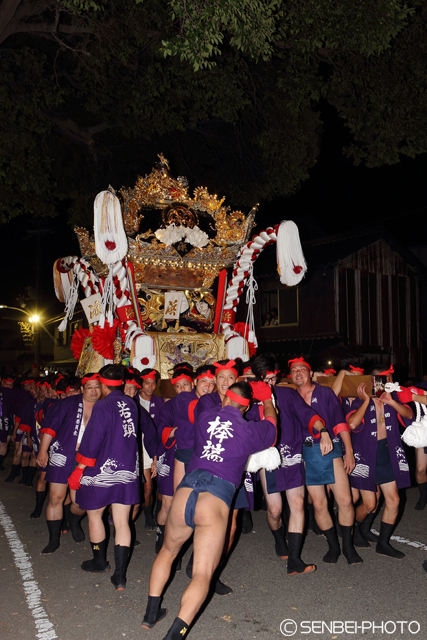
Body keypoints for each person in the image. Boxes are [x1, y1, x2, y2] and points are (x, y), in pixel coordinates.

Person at [141, 381, 277, 639]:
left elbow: (213, 400)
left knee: (168, 551)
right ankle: (175, 635)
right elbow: (272, 425)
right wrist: (267, 400)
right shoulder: (250, 431)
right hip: (214, 499)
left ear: (225, 397)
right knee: (203, 573)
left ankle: (150, 613)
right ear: (246, 407)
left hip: (186, 490)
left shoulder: (204, 417)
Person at [251, 354, 325, 574]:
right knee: (275, 510)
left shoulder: (287, 393)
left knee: (298, 503)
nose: (270, 384)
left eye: (273, 379)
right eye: (265, 379)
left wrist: (323, 430)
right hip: (266, 456)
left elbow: (307, 413)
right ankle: (278, 538)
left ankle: (294, 559)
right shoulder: (249, 398)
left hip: (291, 453)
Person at [69, 365, 140, 590]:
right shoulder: (131, 403)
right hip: (127, 470)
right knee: (122, 521)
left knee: (95, 516)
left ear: (102, 384)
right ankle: (120, 575)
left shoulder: (102, 405)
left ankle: (99, 562)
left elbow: (92, 441)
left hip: (99, 470)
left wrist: (79, 468)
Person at [289, 357, 362, 565]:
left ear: (311, 374)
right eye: (294, 370)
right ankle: (333, 546)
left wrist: (349, 451)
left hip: (331, 449)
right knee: (319, 505)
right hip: (306, 453)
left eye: (303, 369)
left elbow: (339, 423)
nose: (298, 372)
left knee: (345, 500)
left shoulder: (325, 392)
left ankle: (348, 546)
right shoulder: (290, 396)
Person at [345, 374, 413, 558]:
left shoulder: (392, 399)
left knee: (394, 500)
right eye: (380, 380)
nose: (384, 384)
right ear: (371, 382)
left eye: (388, 379)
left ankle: (383, 543)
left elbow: (409, 415)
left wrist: (391, 402)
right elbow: (351, 424)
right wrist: (366, 401)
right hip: (366, 456)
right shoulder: (360, 401)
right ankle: (357, 528)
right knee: (369, 504)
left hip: (387, 454)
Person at [37, 373, 100, 554]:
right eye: (89, 387)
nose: (93, 390)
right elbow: (50, 427)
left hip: (86, 457)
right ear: (82, 389)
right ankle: (53, 539)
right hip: (62, 453)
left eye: (97, 386)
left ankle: (73, 520)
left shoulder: (104, 407)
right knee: (56, 497)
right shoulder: (67, 403)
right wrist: (43, 450)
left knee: (80, 502)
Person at [155, 365, 194, 554]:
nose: (181, 389)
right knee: (169, 504)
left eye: (185, 384)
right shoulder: (169, 406)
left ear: (192, 384)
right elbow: (163, 431)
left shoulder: (201, 402)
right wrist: (182, 431)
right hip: (173, 456)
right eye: (177, 386)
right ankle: (162, 536)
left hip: (196, 457)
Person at [173, 364, 216, 492]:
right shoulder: (184, 397)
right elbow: (197, 415)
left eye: (212, 383)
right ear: (195, 382)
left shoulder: (214, 400)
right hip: (188, 452)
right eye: (204, 381)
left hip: (208, 454)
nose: (207, 386)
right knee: (182, 500)